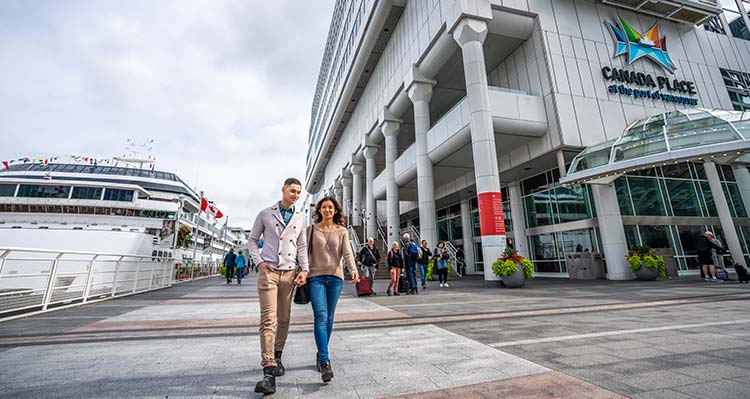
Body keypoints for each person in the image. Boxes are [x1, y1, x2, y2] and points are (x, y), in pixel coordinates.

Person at [248, 178, 309, 395]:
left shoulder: (301, 218)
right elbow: (252, 240)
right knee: (268, 320)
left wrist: (305, 270)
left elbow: (302, 246)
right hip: (269, 273)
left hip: (289, 274)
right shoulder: (265, 213)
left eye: (298, 193)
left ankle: (278, 355)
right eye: (292, 191)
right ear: (283, 189)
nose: (295, 195)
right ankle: (268, 369)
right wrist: (259, 262)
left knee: (284, 318)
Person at [306, 196, 360, 383]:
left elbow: (347, 253)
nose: (327, 210)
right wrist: (302, 271)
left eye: (330, 207)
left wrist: (353, 269)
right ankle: (325, 361)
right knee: (321, 316)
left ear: (336, 210)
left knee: (329, 318)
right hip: (315, 278)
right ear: (319, 210)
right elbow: (304, 253)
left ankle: (321, 354)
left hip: (336, 278)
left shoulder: (342, 231)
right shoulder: (311, 229)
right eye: (324, 207)